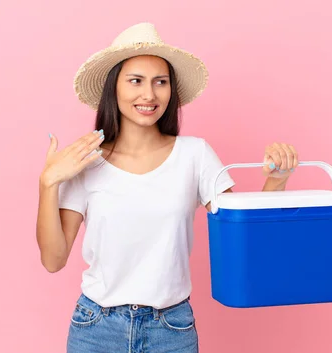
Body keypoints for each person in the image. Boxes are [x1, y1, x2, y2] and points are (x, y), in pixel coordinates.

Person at [36, 23, 299, 353]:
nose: (149, 94)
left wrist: (277, 180)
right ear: (113, 88)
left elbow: (244, 239)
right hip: (96, 328)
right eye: (136, 81)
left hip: (171, 330)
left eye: (160, 82)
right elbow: (53, 259)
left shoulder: (195, 155)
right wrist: (48, 183)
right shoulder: (85, 162)